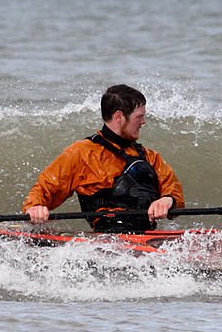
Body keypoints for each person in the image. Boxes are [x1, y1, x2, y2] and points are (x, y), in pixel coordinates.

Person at [23, 84, 184, 232]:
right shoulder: (81, 153)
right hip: (106, 242)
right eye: (139, 117)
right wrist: (35, 207)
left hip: (147, 239)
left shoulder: (150, 157)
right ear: (119, 116)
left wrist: (168, 200)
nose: (143, 122)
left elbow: (173, 190)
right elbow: (44, 188)